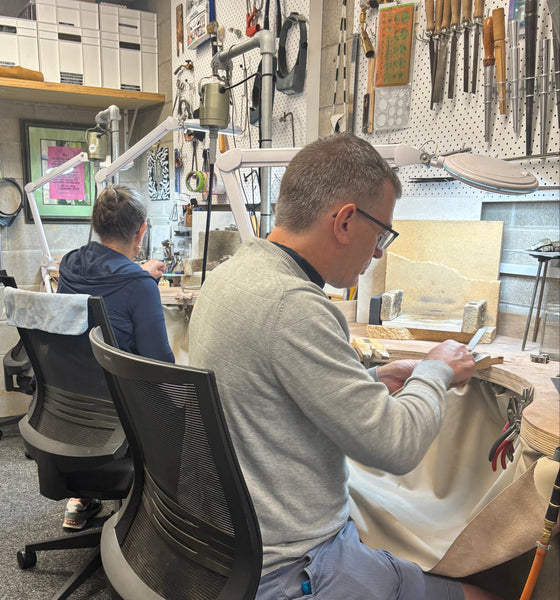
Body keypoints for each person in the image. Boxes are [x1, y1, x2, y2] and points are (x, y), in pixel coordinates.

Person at [188, 134, 501, 600]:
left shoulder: (231, 275)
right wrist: (436, 370)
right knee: (485, 593)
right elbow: (396, 446)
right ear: (346, 221)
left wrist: (370, 381)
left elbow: (268, 396)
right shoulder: (295, 305)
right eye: (380, 235)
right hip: (295, 567)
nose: (378, 253)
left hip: (228, 547)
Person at [58, 184, 175, 530]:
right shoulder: (139, 286)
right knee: (186, 408)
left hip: (68, 408)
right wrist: (141, 279)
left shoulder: (69, 265)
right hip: (119, 413)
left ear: (97, 225)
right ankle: (162, 518)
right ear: (141, 231)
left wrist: (139, 273)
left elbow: (105, 282)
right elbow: (160, 366)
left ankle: (83, 494)